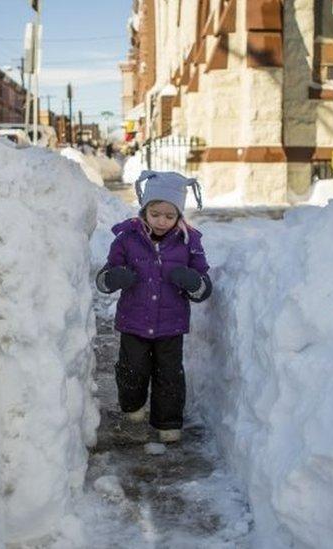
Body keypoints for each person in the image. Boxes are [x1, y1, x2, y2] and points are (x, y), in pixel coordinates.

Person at [95, 170, 212, 443]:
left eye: (170, 216)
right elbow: (103, 279)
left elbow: (204, 286)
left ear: (179, 216)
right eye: (156, 214)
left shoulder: (189, 242)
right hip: (133, 322)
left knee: (169, 376)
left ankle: (168, 423)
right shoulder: (127, 238)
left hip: (171, 326)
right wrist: (115, 278)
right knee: (131, 370)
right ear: (145, 210)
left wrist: (193, 282)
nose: (162, 221)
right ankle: (132, 408)